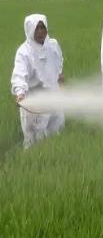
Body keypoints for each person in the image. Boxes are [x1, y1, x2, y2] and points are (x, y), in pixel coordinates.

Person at [11, 14, 65, 149]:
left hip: (54, 97)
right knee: (35, 140)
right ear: (30, 30)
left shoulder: (52, 45)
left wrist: (59, 76)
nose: (41, 31)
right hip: (35, 103)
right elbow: (19, 74)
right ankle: (33, 163)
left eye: (43, 28)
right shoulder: (24, 52)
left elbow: (58, 62)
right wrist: (20, 92)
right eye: (37, 29)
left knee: (56, 134)